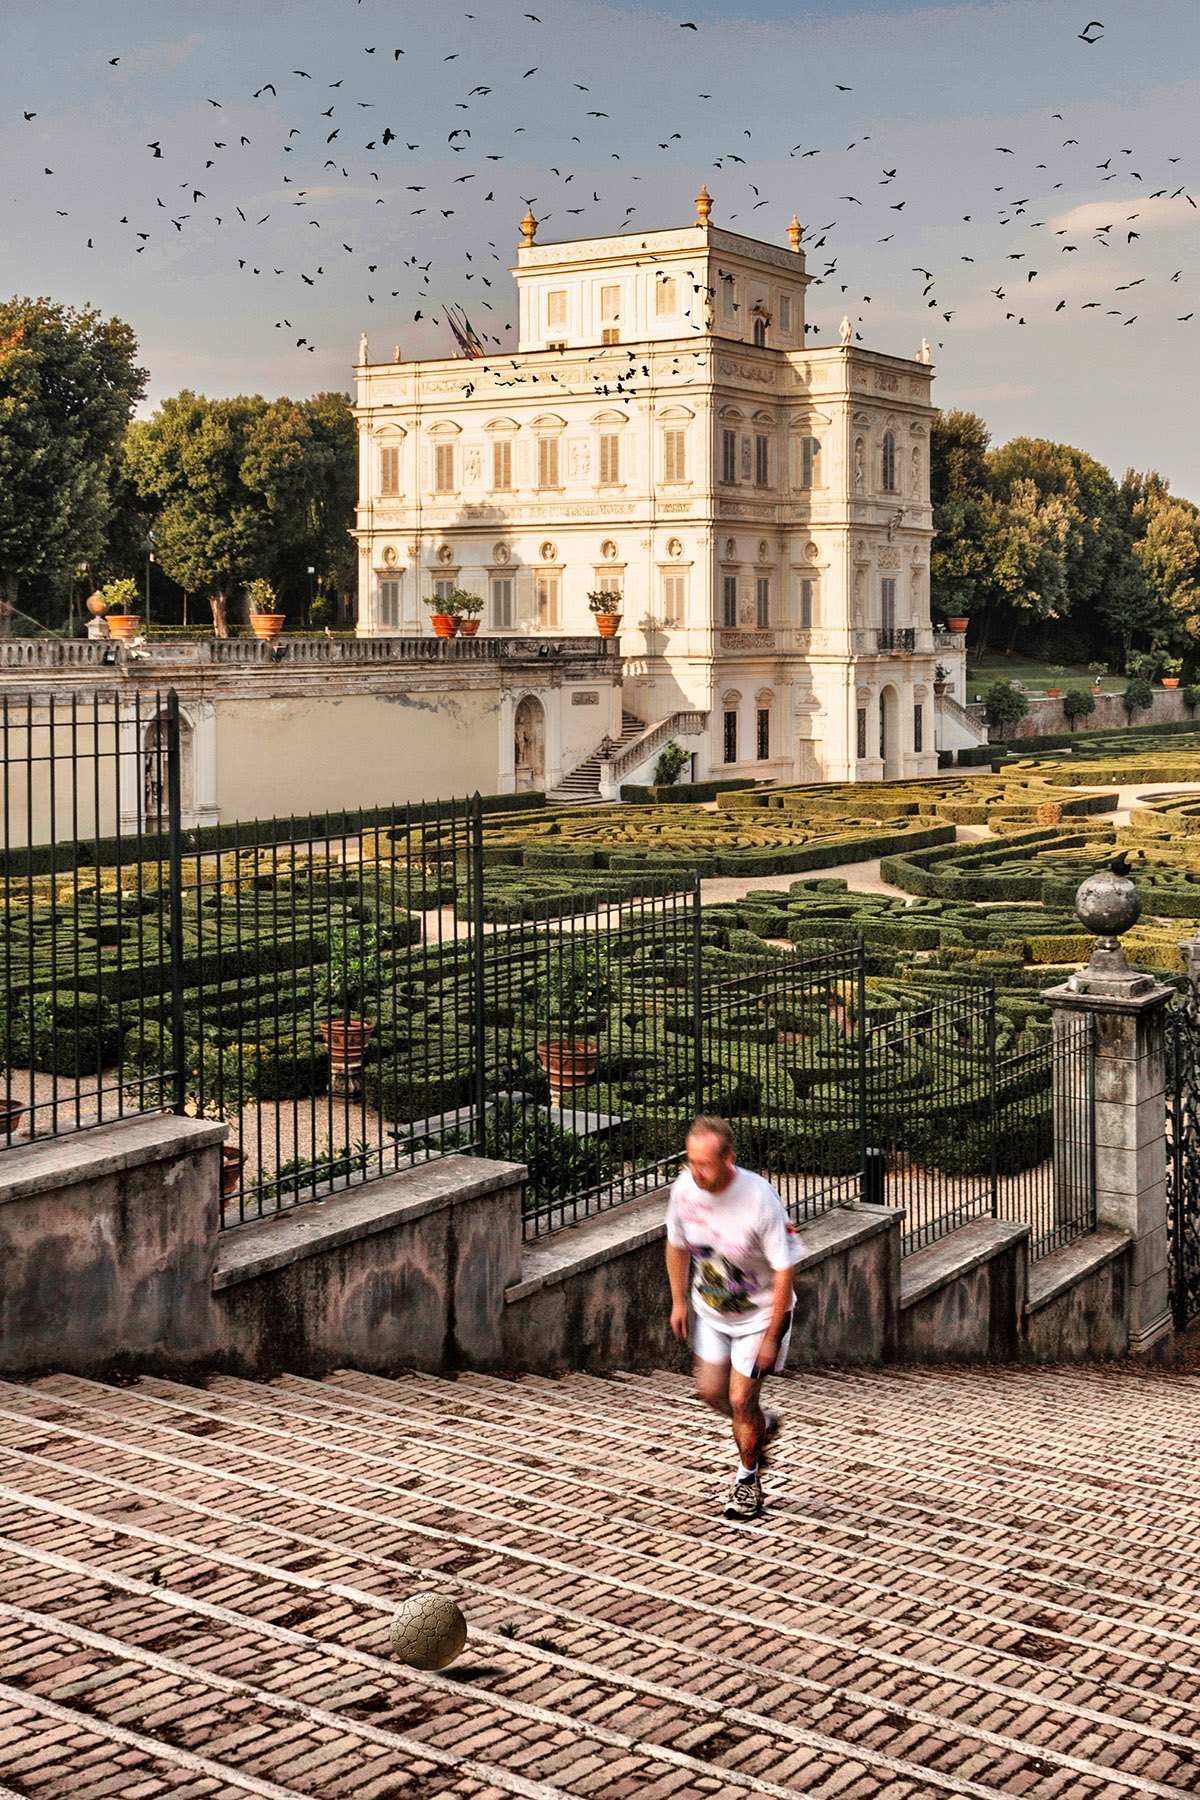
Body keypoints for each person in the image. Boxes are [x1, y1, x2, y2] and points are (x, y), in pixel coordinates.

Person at [665, 1116, 802, 1520]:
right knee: (711, 1393)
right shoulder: (684, 1189)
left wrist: (773, 1335)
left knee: (742, 1399)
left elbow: (785, 1269)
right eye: (692, 1161)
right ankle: (761, 1426)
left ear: (729, 1158)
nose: (697, 1171)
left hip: (760, 1316)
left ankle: (748, 1480)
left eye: (705, 1163)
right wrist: (677, 1301)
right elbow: (675, 1245)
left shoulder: (760, 1198)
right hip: (711, 1311)